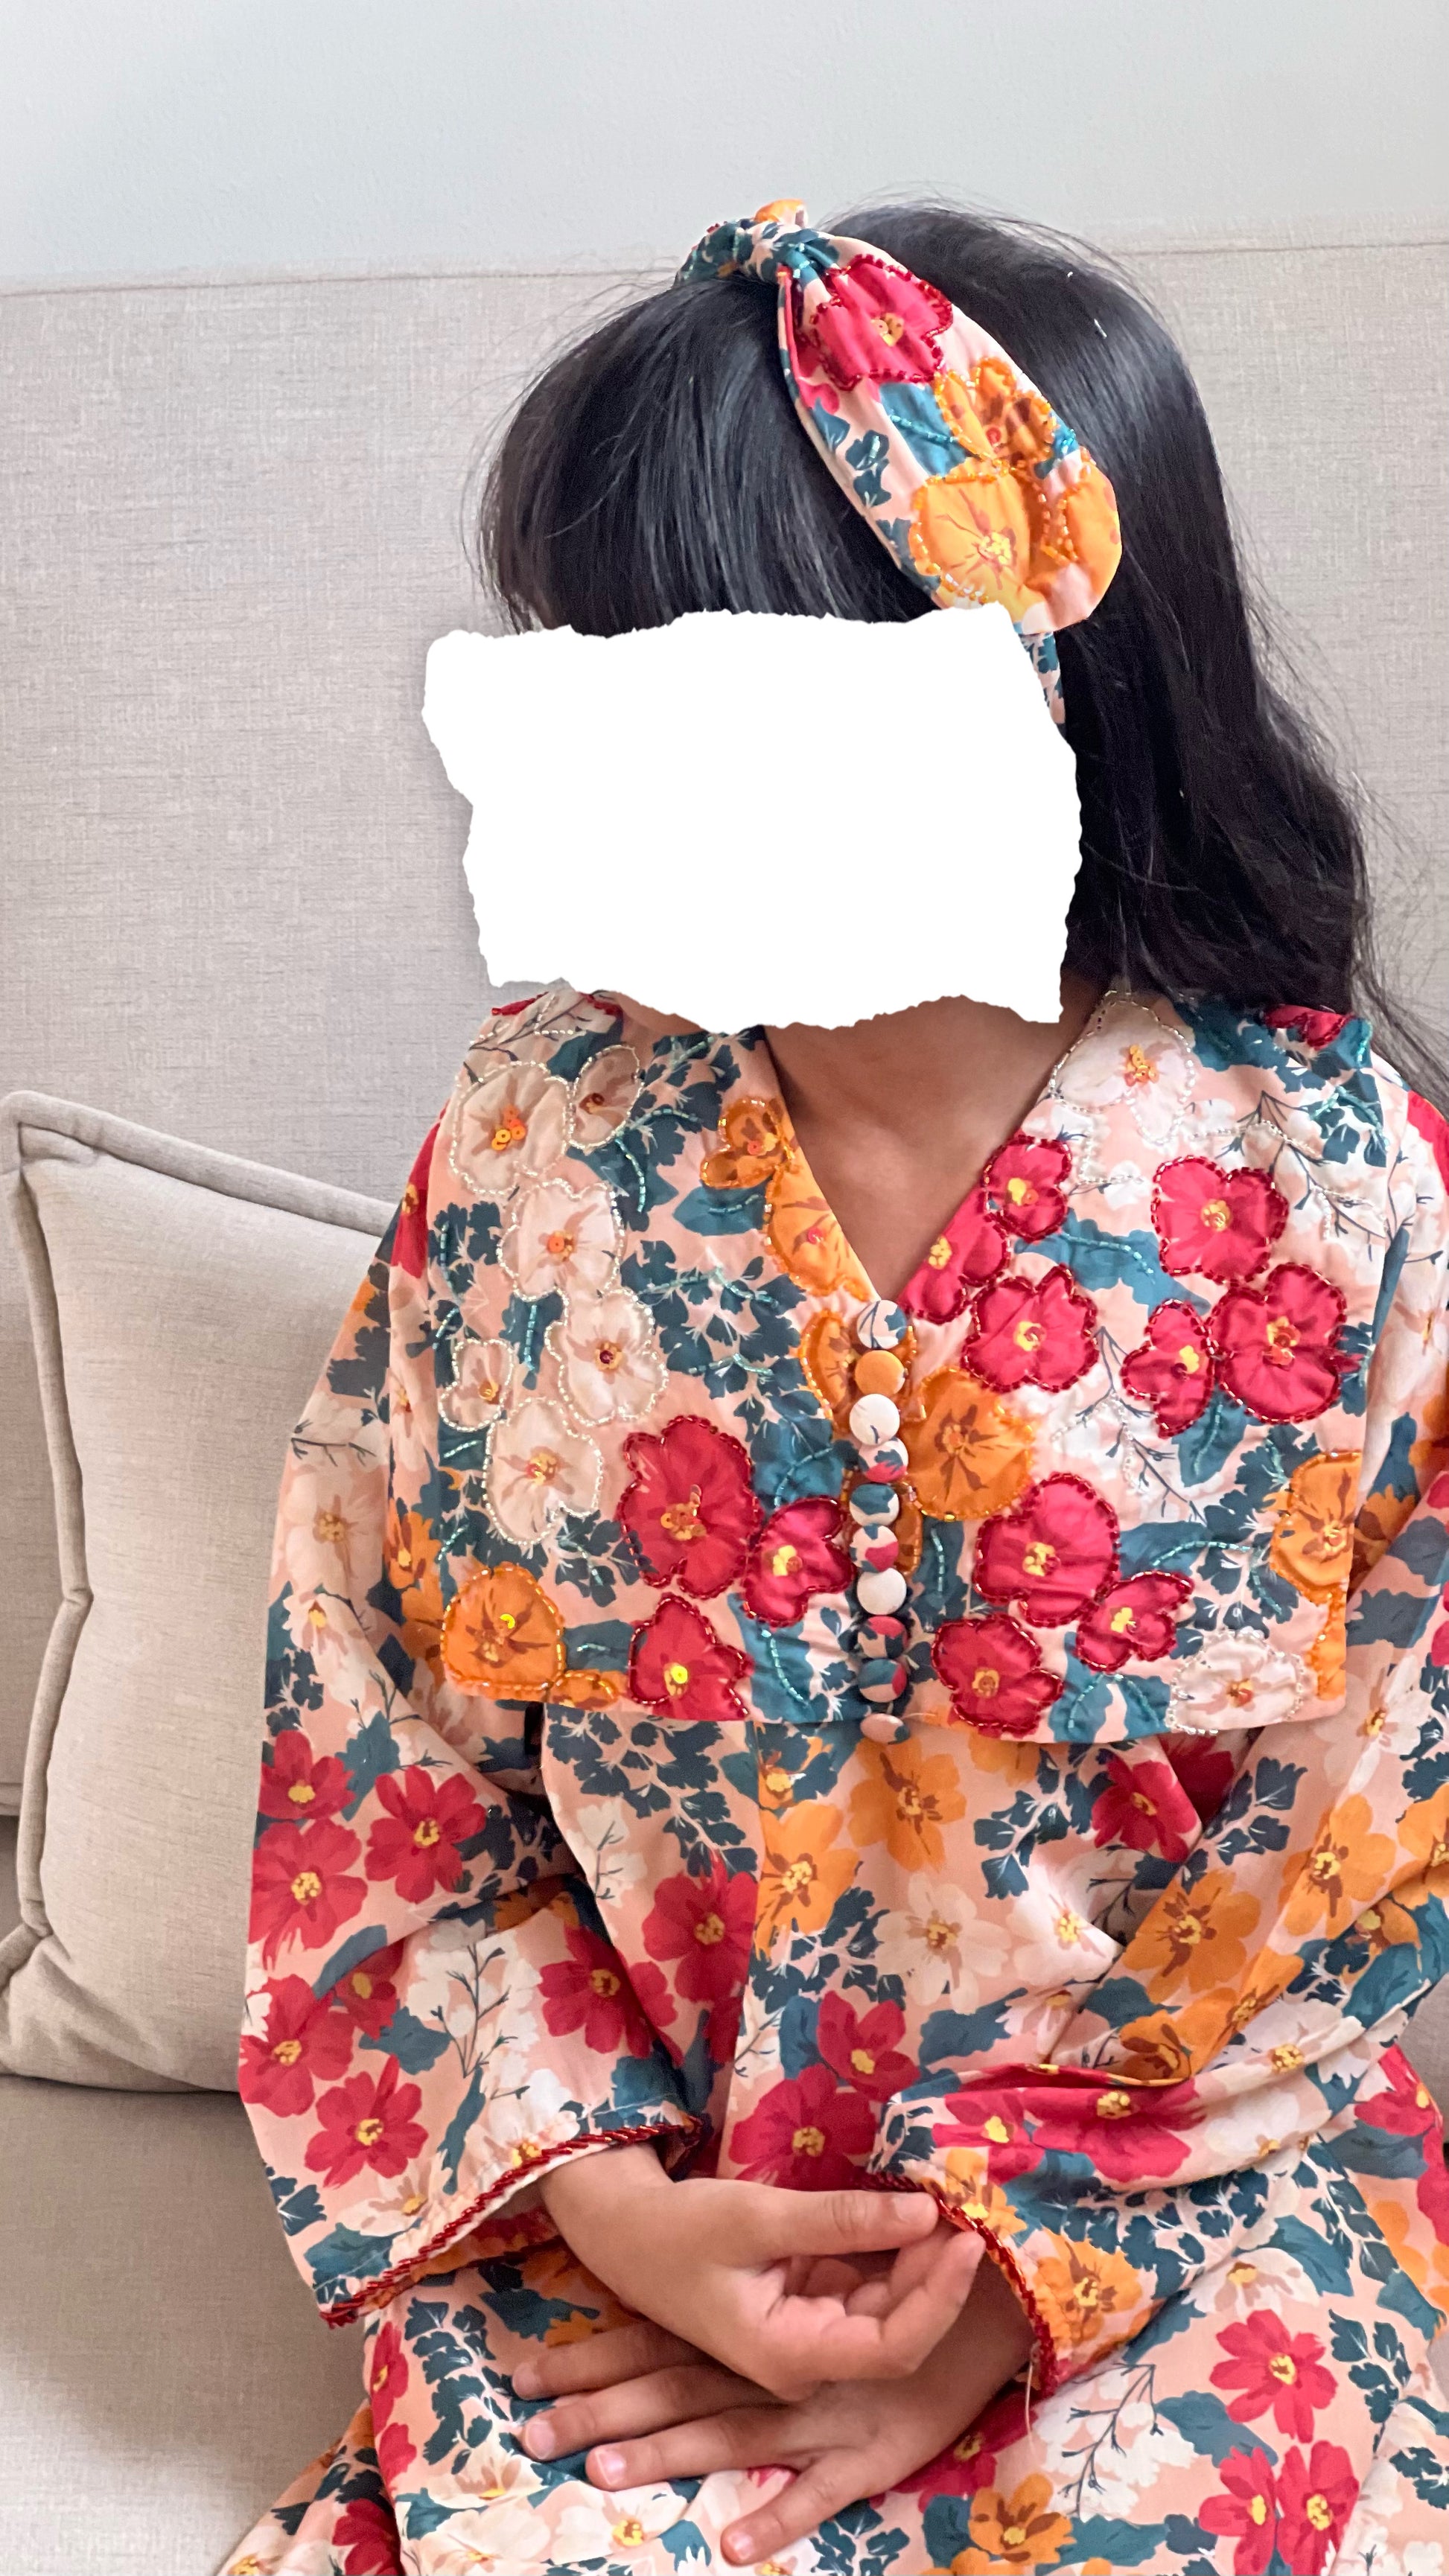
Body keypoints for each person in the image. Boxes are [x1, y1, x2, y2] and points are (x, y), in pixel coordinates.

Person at [228, 202, 1449, 2576]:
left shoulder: (1339, 1194)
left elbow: (1362, 1853)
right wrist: (613, 2196)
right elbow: (380, 1745)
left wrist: (1007, 2284)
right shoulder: (533, 1150)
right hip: (649, 2219)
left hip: (1178, 2230)